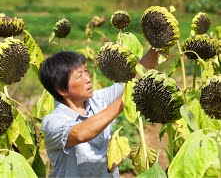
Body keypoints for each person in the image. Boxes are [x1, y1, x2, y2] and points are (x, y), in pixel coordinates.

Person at [38, 48, 158, 177]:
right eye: (79, 76)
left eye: (86, 71)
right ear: (62, 90)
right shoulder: (53, 122)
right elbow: (80, 134)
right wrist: (122, 102)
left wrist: (156, 47)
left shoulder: (98, 99)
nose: (88, 78)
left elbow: (135, 78)